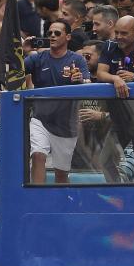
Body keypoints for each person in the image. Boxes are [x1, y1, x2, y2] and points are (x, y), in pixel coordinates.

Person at [25, 20, 91, 184]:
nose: (52, 36)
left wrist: (81, 80)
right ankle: (38, 201)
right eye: (49, 33)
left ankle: (61, 205)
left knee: (61, 174)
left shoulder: (77, 59)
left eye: (57, 33)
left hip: (66, 124)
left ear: (68, 37)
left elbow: (89, 84)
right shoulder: (37, 58)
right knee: (38, 155)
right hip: (40, 119)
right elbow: (12, 73)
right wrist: (23, 51)